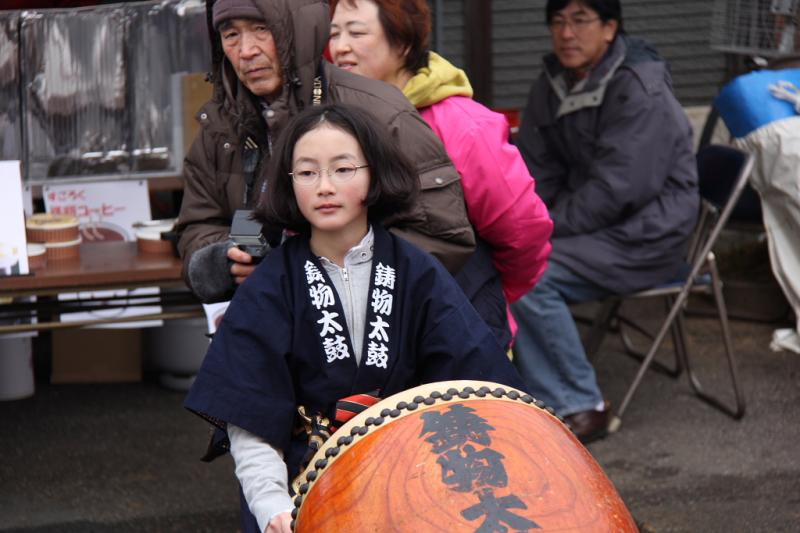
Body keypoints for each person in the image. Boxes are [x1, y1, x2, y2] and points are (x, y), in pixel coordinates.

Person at [184, 103, 526, 533]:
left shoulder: (416, 272)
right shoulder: (270, 285)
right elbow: (249, 415)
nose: (325, 186)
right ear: (289, 185)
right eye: (307, 173)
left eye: (343, 169)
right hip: (303, 483)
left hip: (412, 480)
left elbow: (478, 389)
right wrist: (270, 502)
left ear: (373, 175)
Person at [176, 0, 475, 307]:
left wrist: (325, 275)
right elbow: (198, 225)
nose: (246, 50)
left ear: (299, 30)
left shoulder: (379, 111)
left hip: (373, 330)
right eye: (231, 35)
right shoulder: (222, 125)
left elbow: (442, 234)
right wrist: (225, 260)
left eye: (261, 29)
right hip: (269, 329)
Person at [511, 0, 699, 443]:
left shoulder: (638, 87)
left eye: (581, 20)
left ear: (610, 28)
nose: (567, 33)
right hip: (597, 228)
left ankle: (581, 403)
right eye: (557, 21)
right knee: (505, 254)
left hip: (649, 233)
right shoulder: (554, 82)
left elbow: (619, 189)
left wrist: (542, 229)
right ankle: (538, 392)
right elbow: (537, 168)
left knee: (533, 274)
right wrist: (522, 220)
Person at [329, 0, 553, 345]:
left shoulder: (462, 125)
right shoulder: (330, 125)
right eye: (334, 33)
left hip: (460, 321)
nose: (340, 46)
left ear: (403, 42)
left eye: (356, 32)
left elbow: (522, 229)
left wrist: (490, 287)